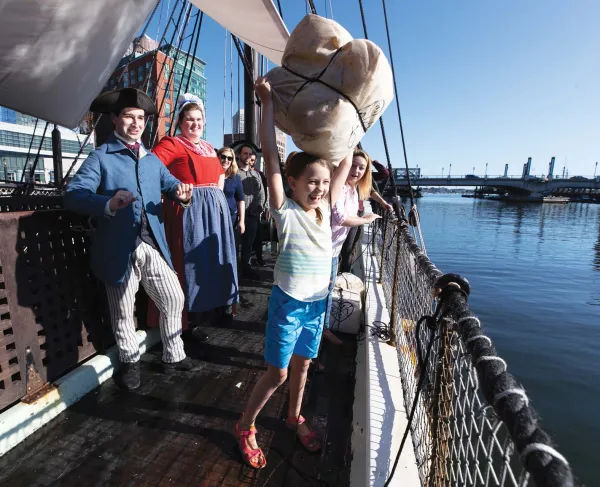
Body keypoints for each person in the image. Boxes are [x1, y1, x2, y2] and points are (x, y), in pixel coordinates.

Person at [233, 77, 353, 469]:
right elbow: (269, 153)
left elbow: (345, 161)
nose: (319, 189)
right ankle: (246, 425)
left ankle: (293, 416)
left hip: (318, 305)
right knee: (278, 373)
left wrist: (352, 120)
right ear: (293, 183)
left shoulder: (325, 210)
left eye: (322, 182)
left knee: (304, 365)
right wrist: (266, 102)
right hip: (288, 304)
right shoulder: (286, 211)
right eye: (311, 183)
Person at [64, 88, 195, 391]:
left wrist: (181, 193)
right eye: (129, 117)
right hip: (117, 248)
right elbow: (74, 195)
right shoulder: (101, 157)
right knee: (123, 310)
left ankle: (174, 354)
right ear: (114, 119)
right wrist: (107, 204)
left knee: (174, 298)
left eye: (141, 118)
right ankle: (130, 361)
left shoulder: (151, 160)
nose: (136, 123)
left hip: (152, 244)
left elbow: (171, 184)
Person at [150, 93, 238, 341]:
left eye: (199, 119)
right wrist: (173, 191)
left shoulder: (209, 147)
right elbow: (149, 167)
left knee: (211, 261)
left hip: (214, 215)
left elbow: (219, 177)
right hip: (189, 212)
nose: (195, 124)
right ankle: (185, 324)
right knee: (186, 262)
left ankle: (210, 310)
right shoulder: (172, 144)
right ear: (180, 121)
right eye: (189, 119)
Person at [323, 149, 385, 344]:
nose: (356, 171)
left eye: (361, 168)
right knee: (320, 294)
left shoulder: (352, 189)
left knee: (327, 291)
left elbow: (384, 175)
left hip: (334, 249)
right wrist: (365, 220)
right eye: (353, 165)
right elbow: (339, 218)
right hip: (323, 250)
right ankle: (316, 339)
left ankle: (323, 330)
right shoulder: (340, 187)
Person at [237, 144, 266, 278]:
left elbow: (261, 193)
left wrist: (259, 208)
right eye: (245, 153)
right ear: (239, 155)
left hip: (253, 216)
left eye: (250, 154)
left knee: (248, 245)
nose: (248, 156)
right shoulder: (235, 173)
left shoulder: (256, 174)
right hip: (237, 217)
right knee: (235, 244)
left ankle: (246, 268)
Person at [249, 153, 269, 267]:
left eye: (252, 160)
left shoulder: (259, 174)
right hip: (243, 210)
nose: (250, 161)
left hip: (256, 210)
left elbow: (264, 192)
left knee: (257, 236)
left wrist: (265, 207)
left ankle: (259, 257)